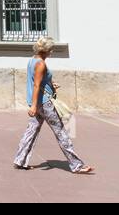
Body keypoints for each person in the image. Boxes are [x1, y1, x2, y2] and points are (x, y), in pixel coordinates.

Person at [14, 37, 93, 174]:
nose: (52, 52)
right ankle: (76, 165)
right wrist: (33, 106)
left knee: (31, 131)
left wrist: (51, 84)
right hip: (44, 103)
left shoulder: (32, 60)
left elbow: (39, 81)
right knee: (61, 132)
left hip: (38, 103)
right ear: (45, 50)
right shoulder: (41, 64)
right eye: (50, 49)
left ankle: (20, 160)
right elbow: (37, 85)